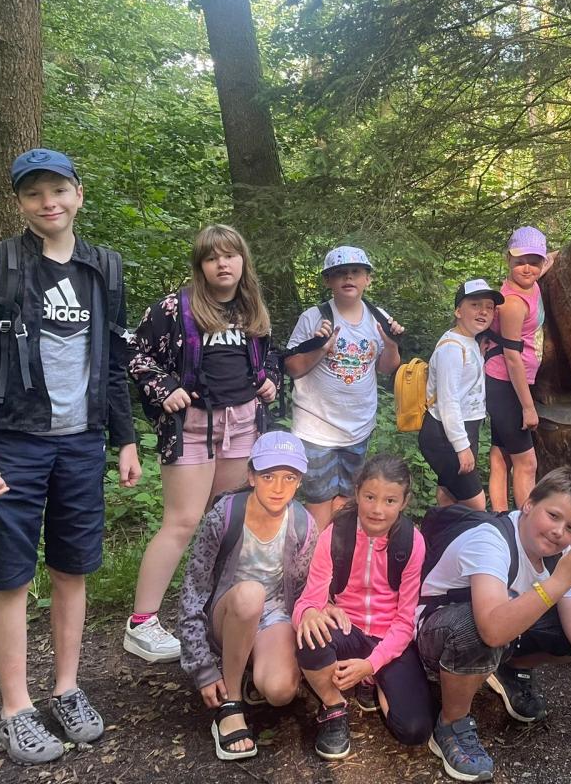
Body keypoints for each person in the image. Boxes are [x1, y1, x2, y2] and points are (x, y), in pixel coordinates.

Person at [0, 148, 141, 764]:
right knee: (11, 574)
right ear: (19, 202)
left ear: (78, 194)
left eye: (59, 190)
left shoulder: (105, 267)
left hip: (82, 441)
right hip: (14, 441)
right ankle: (14, 709)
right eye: (34, 193)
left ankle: (66, 689)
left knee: (72, 567)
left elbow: (114, 360)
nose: (49, 202)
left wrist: (124, 438)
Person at [125, 224, 281, 663]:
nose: (222, 264)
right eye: (212, 258)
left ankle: (217, 611)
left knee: (225, 520)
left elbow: (268, 356)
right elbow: (135, 353)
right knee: (182, 521)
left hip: (242, 424)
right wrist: (164, 388)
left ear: (243, 261)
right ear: (201, 266)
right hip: (192, 425)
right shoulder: (175, 308)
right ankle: (141, 623)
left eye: (229, 255)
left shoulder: (252, 308)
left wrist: (269, 380)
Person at [417, 470, 571, 782]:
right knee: (476, 629)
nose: (558, 532)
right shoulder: (491, 539)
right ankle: (451, 724)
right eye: (553, 515)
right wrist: (557, 583)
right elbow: (491, 629)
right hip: (436, 633)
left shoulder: (561, 557)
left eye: (570, 528)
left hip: (502, 629)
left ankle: (510, 670)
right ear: (529, 504)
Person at [178, 431, 315, 761]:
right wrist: (202, 668)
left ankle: (252, 665)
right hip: (229, 612)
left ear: (299, 482)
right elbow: (193, 590)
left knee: (280, 692)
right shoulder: (224, 517)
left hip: (274, 615)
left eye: (289, 477)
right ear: (251, 476)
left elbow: (304, 593)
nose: (278, 487)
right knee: (251, 595)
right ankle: (231, 703)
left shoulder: (303, 524)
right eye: (268, 476)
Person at [294, 454, 433, 760]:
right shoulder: (335, 534)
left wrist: (372, 664)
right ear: (356, 493)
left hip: (389, 637)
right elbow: (309, 599)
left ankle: (372, 679)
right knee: (310, 635)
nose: (377, 509)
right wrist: (310, 612)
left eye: (390, 500)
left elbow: (405, 621)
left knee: (414, 730)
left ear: (404, 502)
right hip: (348, 629)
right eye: (370, 497)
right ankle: (333, 706)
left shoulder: (412, 543)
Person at [285, 246, 404, 528]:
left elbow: (386, 367)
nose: (348, 277)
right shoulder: (314, 318)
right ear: (328, 280)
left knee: (348, 501)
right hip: (316, 429)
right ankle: (316, 555)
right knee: (318, 503)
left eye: (355, 272)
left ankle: (338, 551)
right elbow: (292, 367)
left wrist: (391, 344)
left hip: (358, 428)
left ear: (367, 279)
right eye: (340, 273)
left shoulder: (378, 317)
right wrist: (320, 347)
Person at [419, 279, 503, 509]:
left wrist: (480, 355)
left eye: (489, 307)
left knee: (449, 495)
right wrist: (461, 447)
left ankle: (439, 530)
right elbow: (449, 402)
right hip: (445, 435)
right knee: (476, 504)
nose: (483, 311)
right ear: (458, 311)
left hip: (464, 429)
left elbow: (467, 382)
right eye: (475, 305)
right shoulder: (451, 349)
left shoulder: (469, 342)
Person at [485, 227, 549, 511]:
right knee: (527, 463)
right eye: (520, 261)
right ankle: (526, 526)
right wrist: (528, 407)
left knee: (501, 454)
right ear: (508, 259)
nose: (527, 268)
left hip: (513, 383)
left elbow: (553, 258)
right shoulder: (513, 303)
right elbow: (512, 357)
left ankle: (500, 518)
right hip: (505, 384)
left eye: (534, 262)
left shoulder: (531, 281)